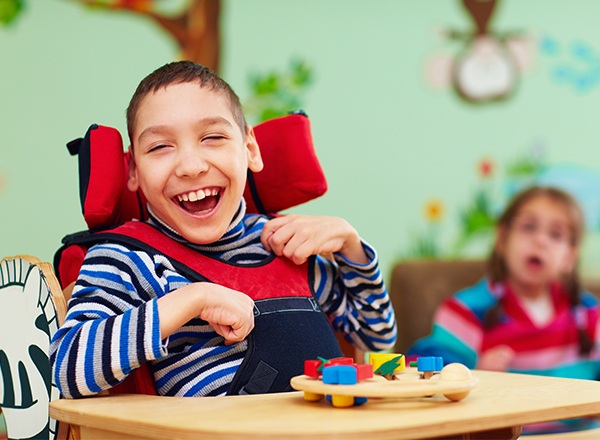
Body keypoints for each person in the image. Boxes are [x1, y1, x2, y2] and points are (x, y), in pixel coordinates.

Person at [50, 60, 397, 399]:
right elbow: (64, 369)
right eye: (159, 147)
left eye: (212, 137)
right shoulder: (127, 258)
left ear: (249, 149)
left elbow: (376, 337)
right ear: (133, 171)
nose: (191, 166)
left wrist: (352, 246)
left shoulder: (286, 244)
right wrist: (189, 300)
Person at [407, 185, 600, 434]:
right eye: (529, 227)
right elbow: (419, 372)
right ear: (501, 238)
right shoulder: (466, 311)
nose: (540, 240)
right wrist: (474, 374)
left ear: (570, 258)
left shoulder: (588, 316)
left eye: (556, 234)